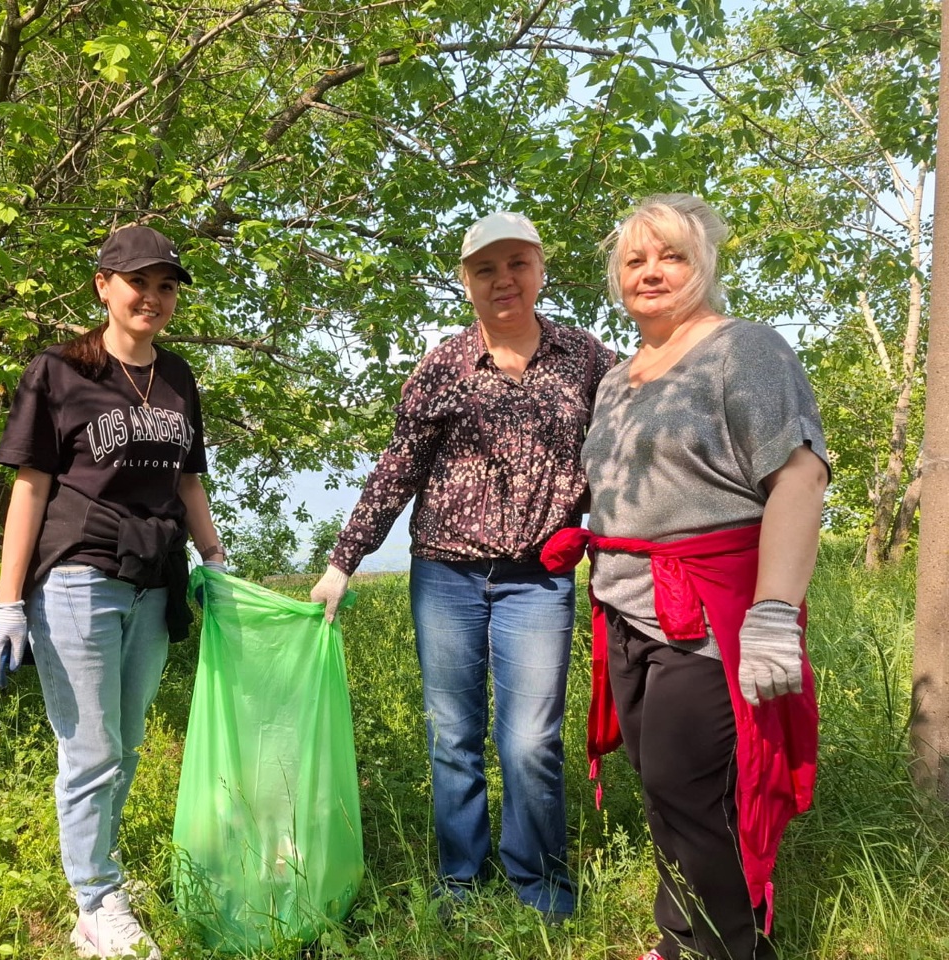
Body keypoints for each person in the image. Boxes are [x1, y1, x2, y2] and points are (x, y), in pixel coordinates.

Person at [544, 194, 829, 960]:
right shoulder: (618, 378)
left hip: (706, 613)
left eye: (670, 255)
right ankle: (681, 944)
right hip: (627, 610)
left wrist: (774, 613)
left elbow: (799, 479)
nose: (651, 271)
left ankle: (732, 950)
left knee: (689, 792)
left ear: (703, 263)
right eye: (634, 260)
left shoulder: (745, 350)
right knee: (665, 792)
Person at [311, 211, 617, 920]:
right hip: (445, 578)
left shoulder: (587, 358)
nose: (503, 279)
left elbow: (621, 451)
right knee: (453, 735)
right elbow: (398, 469)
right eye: (486, 269)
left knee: (532, 740)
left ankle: (539, 883)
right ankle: (460, 880)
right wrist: (342, 562)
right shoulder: (442, 366)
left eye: (517, 264)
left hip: (538, 579)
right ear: (466, 282)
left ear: (540, 269)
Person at [0, 225, 226, 960]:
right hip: (77, 577)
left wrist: (214, 556)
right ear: (103, 286)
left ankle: (103, 874)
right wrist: (8, 601)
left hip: (154, 578)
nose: (152, 297)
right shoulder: (59, 371)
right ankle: (93, 905)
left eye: (166, 286)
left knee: (127, 740)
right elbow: (30, 487)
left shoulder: (177, 377)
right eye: (137, 282)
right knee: (90, 748)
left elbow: (187, 480)